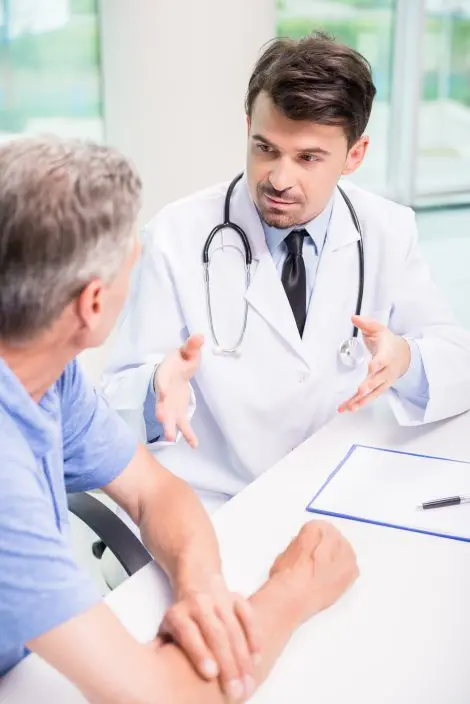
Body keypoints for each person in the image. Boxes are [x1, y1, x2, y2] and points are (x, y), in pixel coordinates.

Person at [0, 136, 358, 703]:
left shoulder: (44, 371)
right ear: (93, 305)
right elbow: (163, 699)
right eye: (129, 264)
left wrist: (202, 590)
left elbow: (153, 490)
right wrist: (296, 588)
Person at [103, 32, 470, 515]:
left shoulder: (387, 230)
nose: (278, 179)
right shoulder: (176, 234)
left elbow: (457, 365)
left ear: (354, 155)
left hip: (341, 497)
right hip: (215, 509)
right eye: (265, 148)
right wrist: (155, 389)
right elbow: (113, 402)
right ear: (248, 127)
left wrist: (405, 360)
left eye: (308, 158)